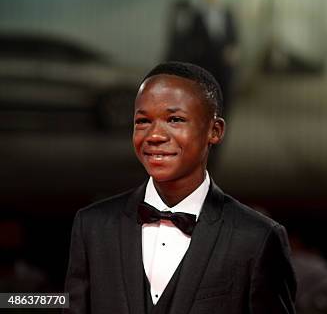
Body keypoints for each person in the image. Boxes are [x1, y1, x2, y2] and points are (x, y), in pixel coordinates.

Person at [64, 62, 296, 314]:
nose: (154, 135)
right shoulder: (93, 226)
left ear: (214, 131)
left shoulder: (257, 237)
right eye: (143, 121)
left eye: (174, 119)